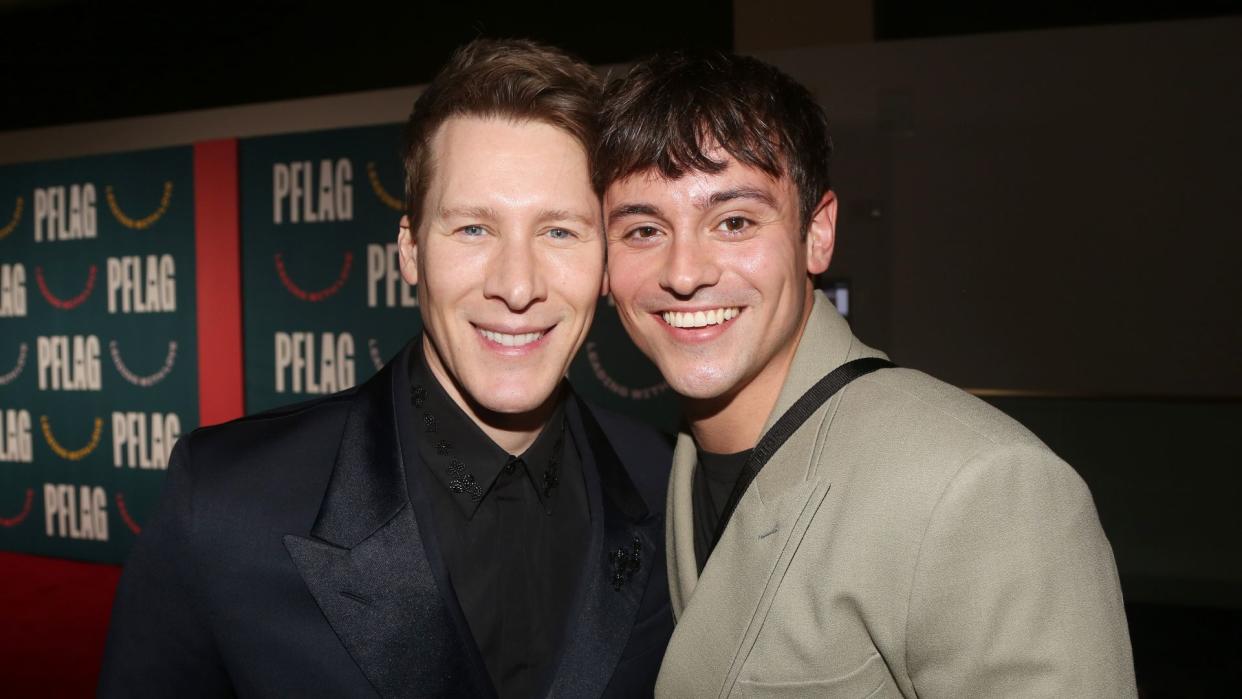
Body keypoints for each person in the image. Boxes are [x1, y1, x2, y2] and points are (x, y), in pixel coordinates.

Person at [100, 39, 673, 698]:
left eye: (560, 232)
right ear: (409, 250)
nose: (517, 286)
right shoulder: (226, 505)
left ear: (606, 261)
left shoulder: (665, 483)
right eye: (473, 230)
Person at [597, 51, 1136, 697]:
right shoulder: (664, 466)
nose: (684, 272)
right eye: (644, 229)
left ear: (817, 233)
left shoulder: (979, 484)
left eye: (735, 221)